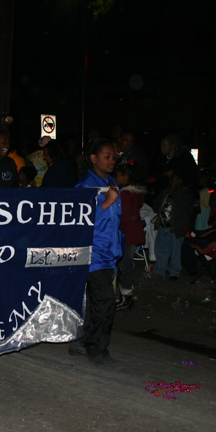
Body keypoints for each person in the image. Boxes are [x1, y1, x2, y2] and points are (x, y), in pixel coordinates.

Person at [68, 139, 122, 364]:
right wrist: (106, 203)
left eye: (113, 157)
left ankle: (82, 341)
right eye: (107, 156)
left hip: (109, 252)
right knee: (106, 300)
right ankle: (97, 351)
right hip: (93, 252)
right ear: (94, 158)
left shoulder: (111, 182)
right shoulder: (85, 186)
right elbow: (78, 220)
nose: (112, 160)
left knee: (96, 301)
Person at [114, 164, 146, 309]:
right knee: (126, 266)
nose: (116, 178)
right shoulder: (135, 193)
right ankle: (126, 297)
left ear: (125, 177)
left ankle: (126, 298)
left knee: (124, 267)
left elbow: (124, 217)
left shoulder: (126, 195)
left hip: (126, 235)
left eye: (118, 175)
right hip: (131, 234)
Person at [152, 172, 194, 281]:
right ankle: (159, 271)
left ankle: (174, 272)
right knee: (161, 249)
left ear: (180, 180)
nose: (172, 182)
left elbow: (182, 206)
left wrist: (173, 194)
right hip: (163, 224)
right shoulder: (166, 191)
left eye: (175, 179)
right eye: (171, 179)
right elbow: (156, 202)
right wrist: (158, 208)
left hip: (176, 226)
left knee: (175, 250)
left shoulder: (185, 192)